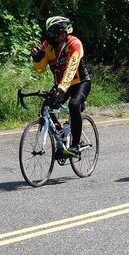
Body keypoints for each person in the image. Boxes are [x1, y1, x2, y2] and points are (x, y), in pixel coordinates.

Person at [31, 16, 91, 158]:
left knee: (74, 104)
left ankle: (75, 146)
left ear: (63, 33)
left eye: (52, 33)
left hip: (80, 83)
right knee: (47, 107)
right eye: (48, 33)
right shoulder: (47, 46)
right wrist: (37, 58)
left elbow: (71, 67)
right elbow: (40, 69)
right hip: (61, 85)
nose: (48, 36)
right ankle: (61, 135)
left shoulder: (74, 44)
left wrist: (63, 87)